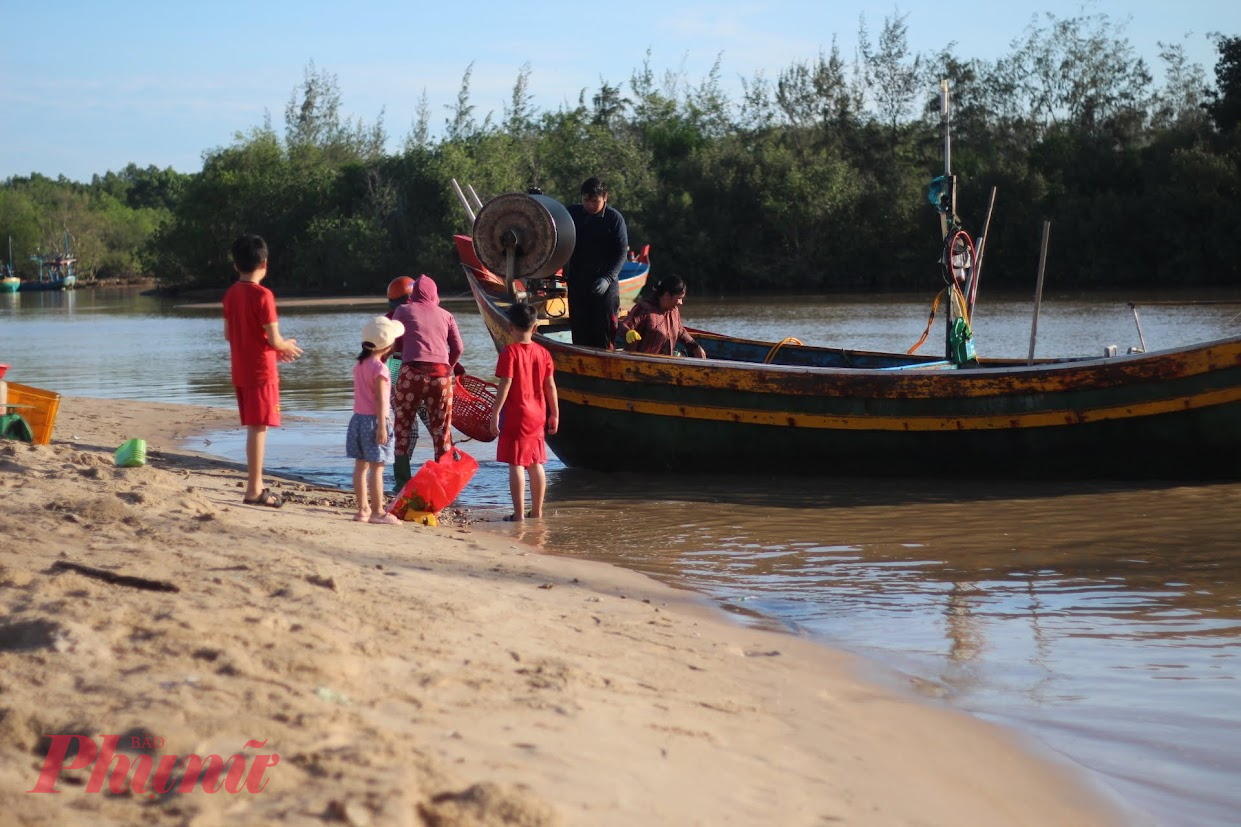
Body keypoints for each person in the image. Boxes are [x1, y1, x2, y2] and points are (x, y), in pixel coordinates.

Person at [222, 234, 303, 508]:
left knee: (256, 427)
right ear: (264, 264)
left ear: (236, 265)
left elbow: (229, 335)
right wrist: (285, 346)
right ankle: (254, 488)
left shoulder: (231, 294)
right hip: (260, 372)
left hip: (241, 369)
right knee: (259, 428)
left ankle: (255, 485)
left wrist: (270, 348)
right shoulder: (263, 296)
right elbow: (274, 338)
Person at [391, 274, 464, 489]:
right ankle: (443, 482)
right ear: (435, 294)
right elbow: (458, 348)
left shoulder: (402, 311)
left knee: (403, 425)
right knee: (441, 430)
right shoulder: (446, 315)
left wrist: (404, 356)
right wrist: (449, 367)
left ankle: (402, 482)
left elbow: (395, 344)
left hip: (411, 373)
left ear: (413, 294)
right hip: (440, 377)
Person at [489, 302, 558, 522]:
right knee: (536, 462)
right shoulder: (544, 353)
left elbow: (505, 384)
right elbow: (550, 386)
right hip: (538, 413)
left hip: (517, 413)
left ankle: (519, 514)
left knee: (517, 463)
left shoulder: (510, 352)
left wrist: (494, 413)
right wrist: (554, 413)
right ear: (535, 327)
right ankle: (537, 512)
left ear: (510, 326)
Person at [347, 316, 404, 525]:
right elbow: (381, 399)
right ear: (388, 345)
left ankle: (362, 509)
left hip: (357, 420)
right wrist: (382, 425)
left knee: (360, 467)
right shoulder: (381, 369)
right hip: (374, 421)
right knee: (377, 468)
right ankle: (378, 511)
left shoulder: (360, 365)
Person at [564, 176, 628, 349]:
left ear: (605, 197)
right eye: (586, 200)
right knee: (580, 332)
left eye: (595, 201)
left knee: (604, 334)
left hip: (605, 287)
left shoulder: (614, 219)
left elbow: (622, 252)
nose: (590, 205)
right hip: (578, 283)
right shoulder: (572, 214)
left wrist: (608, 278)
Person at [619, 275, 708, 358]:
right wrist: (628, 332)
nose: (681, 303)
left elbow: (680, 332)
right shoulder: (644, 309)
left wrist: (696, 347)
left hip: (664, 365)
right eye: (679, 298)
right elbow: (623, 326)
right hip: (638, 364)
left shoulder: (674, 311)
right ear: (667, 295)